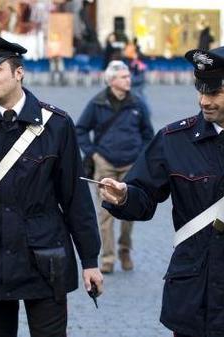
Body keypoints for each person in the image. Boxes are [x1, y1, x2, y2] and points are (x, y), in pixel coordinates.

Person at [99, 44, 224, 337]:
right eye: (201, 91)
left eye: (214, 93)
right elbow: (142, 196)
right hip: (193, 297)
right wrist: (124, 196)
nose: (203, 101)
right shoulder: (173, 139)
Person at [0, 32, 103, 337]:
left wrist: (90, 260)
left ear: (19, 72)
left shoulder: (56, 124)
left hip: (44, 255)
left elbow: (75, 198)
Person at [76, 60, 154, 274]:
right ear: (111, 81)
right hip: (106, 164)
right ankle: (108, 257)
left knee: (129, 211)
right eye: (123, 77)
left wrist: (141, 157)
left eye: (129, 76)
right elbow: (80, 129)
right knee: (105, 214)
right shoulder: (97, 103)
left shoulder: (138, 103)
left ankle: (125, 249)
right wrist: (93, 154)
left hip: (131, 165)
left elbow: (149, 134)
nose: (129, 80)